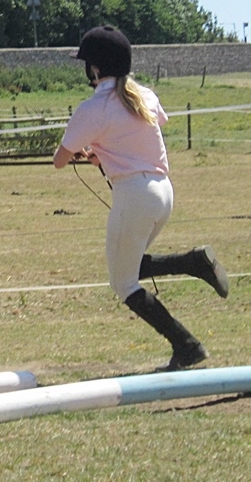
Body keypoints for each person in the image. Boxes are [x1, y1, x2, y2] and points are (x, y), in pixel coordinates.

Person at [53, 25, 229, 371]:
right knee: (130, 265)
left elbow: (60, 160)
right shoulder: (144, 94)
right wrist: (103, 155)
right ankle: (193, 263)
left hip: (134, 196)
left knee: (123, 282)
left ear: (95, 69)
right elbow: (139, 135)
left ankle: (187, 345)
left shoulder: (93, 108)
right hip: (163, 192)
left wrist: (84, 150)